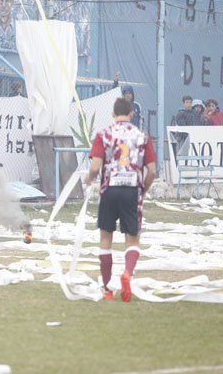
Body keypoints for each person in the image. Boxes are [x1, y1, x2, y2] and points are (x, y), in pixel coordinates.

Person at [84, 98, 157, 302]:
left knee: (105, 238)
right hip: (131, 190)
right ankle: (127, 274)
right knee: (132, 238)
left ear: (113, 114)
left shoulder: (103, 134)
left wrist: (89, 179)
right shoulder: (142, 136)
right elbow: (152, 171)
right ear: (132, 114)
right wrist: (143, 190)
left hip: (109, 189)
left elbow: (95, 167)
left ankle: (107, 288)